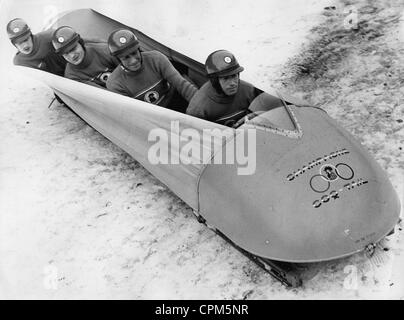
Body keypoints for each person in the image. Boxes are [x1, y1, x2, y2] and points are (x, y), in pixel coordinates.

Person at [106, 29, 197, 109]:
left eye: (134, 53)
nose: (133, 61)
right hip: (152, 116)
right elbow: (132, 113)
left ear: (139, 49)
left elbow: (182, 85)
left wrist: (199, 106)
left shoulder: (156, 58)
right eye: (126, 58)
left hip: (173, 100)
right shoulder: (114, 83)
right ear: (118, 60)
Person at [186, 50, 261, 124]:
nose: (232, 83)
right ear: (214, 81)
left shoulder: (249, 90)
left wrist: (256, 115)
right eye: (226, 78)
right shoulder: (198, 108)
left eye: (234, 76)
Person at [52, 26, 119, 88]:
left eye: (73, 49)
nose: (72, 56)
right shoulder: (72, 76)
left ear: (81, 43)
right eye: (66, 53)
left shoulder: (104, 50)